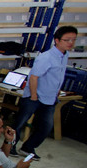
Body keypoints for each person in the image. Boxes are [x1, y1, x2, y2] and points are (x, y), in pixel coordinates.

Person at [11, 25, 78, 160]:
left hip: (50, 98)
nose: (71, 43)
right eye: (67, 40)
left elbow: (58, 75)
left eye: (73, 40)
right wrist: (34, 95)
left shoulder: (65, 55)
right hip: (35, 97)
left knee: (46, 127)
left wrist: (57, 90)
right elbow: (34, 77)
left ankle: (28, 147)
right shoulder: (46, 57)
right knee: (20, 123)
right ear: (57, 40)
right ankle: (10, 146)